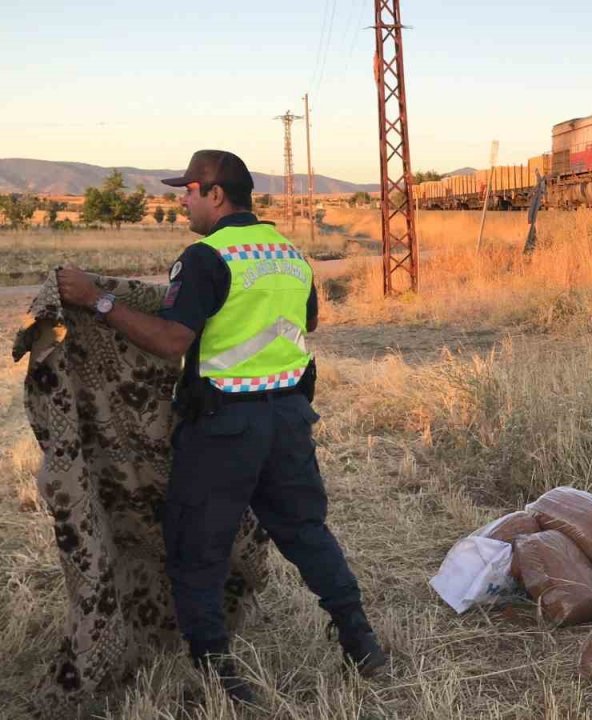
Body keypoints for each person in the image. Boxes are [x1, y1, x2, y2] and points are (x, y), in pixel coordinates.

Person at [55, 150, 387, 705]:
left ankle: (218, 675)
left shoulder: (206, 257)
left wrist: (100, 300)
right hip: (287, 420)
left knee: (196, 549)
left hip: (224, 426)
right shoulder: (290, 255)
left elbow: (171, 341)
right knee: (307, 532)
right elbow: (304, 323)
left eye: (186, 190)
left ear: (215, 194)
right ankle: (360, 639)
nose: (180, 201)